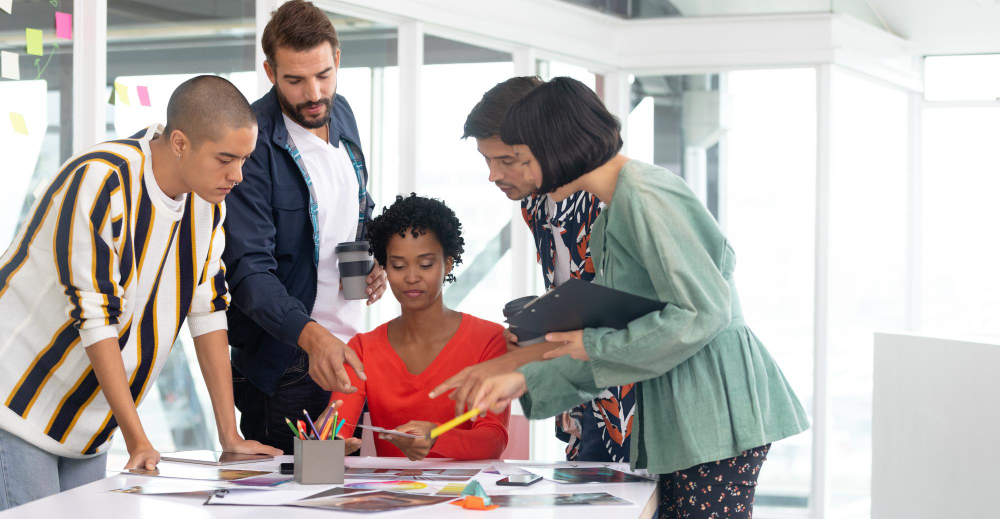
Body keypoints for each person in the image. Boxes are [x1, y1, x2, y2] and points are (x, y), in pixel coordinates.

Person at [452, 77, 810, 518]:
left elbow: (702, 311)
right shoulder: (615, 207)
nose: (517, 175)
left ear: (557, 147)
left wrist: (576, 350)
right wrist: (524, 378)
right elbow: (625, 332)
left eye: (520, 160)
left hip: (709, 414)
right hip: (677, 413)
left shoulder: (644, 192)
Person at [0, 75, 280, 510]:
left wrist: (230, 435)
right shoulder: (101, 180)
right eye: (226, 158)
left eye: (244, 159)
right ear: (181, 143)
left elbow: (207, 313)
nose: (238, 176)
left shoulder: (208, 205)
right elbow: (95, 318)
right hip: (15, 406)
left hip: (90, 424)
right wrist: (138, 438)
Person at [223, 0, 386, 454]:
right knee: (292, 500)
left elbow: (357, 206)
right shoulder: (251, 141)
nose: (314, 94)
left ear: (338, 59)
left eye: (323, 75)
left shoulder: (344, 113)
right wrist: (315, 339)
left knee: (352, 494)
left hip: (350, 347)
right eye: (295, 80)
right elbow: (250, 273)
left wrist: (375, 260)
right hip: (288, 361)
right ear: (270, 71)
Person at [443, 76, 634, 463]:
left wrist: (515, 363)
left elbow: (626, 320)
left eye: (509, 161)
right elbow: (577, 293)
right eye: (487, 161)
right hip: (584, 397)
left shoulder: (607, 200)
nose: (494, 175)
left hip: (633, 398)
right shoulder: (535, 204)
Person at [329, 194, 509, 461]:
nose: (411, 277)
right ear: (385, 268)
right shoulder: (362, 349)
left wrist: (438, 438)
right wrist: (330, 442)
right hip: (391, 498)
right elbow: (337, 428)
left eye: (425, 264)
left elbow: (493, 439)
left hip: (467, 497)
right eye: (398, 266)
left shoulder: (490, 341)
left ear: (448, 263)